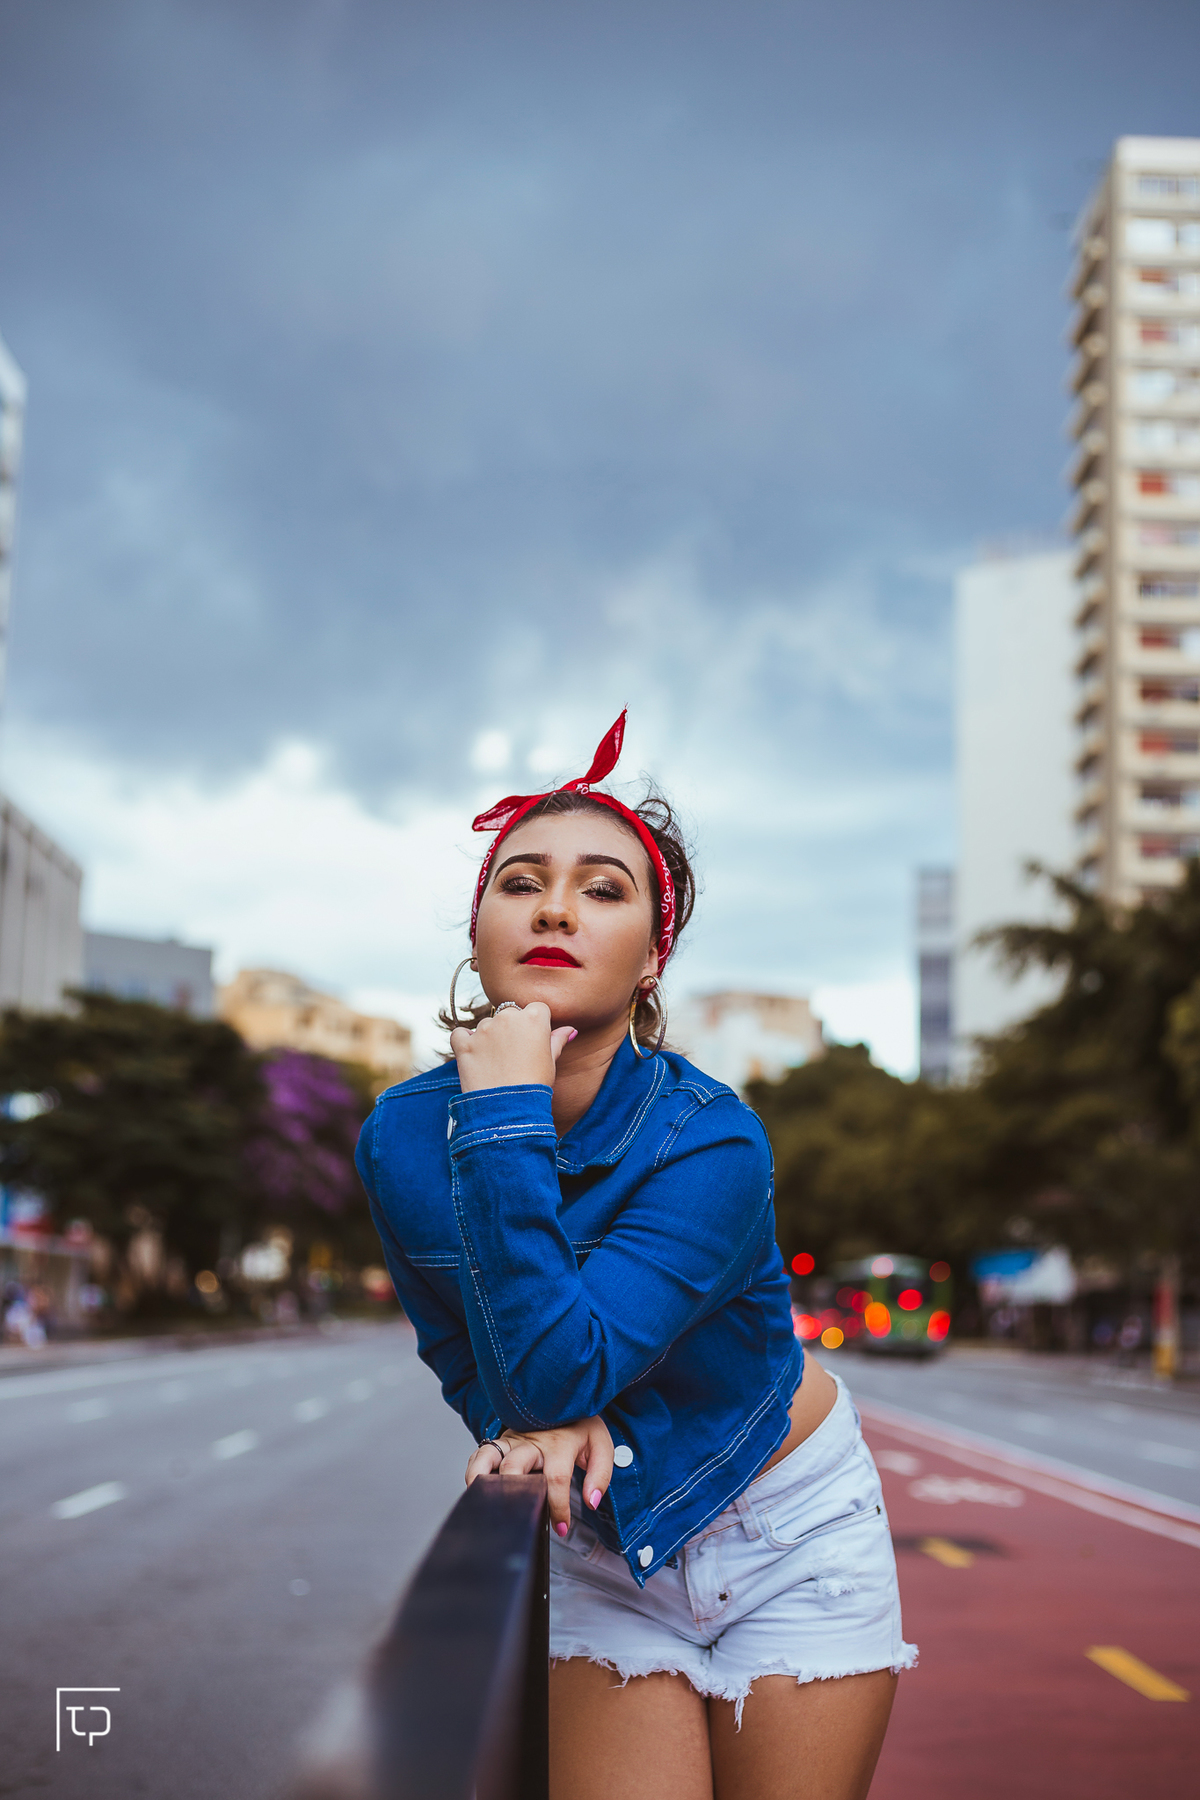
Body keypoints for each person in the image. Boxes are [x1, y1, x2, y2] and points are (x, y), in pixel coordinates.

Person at [356, 712, 915, 1800]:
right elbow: (474, 1358)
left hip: (787, 1525)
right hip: (605, 1545)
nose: (556, 906)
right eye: (521, 882)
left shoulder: (710, 1136)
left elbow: (562, 1374)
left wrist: (508, 1112)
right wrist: (516, 1428)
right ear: (478, 927)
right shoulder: (403, 1138)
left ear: (653, 956)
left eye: (603, 889)